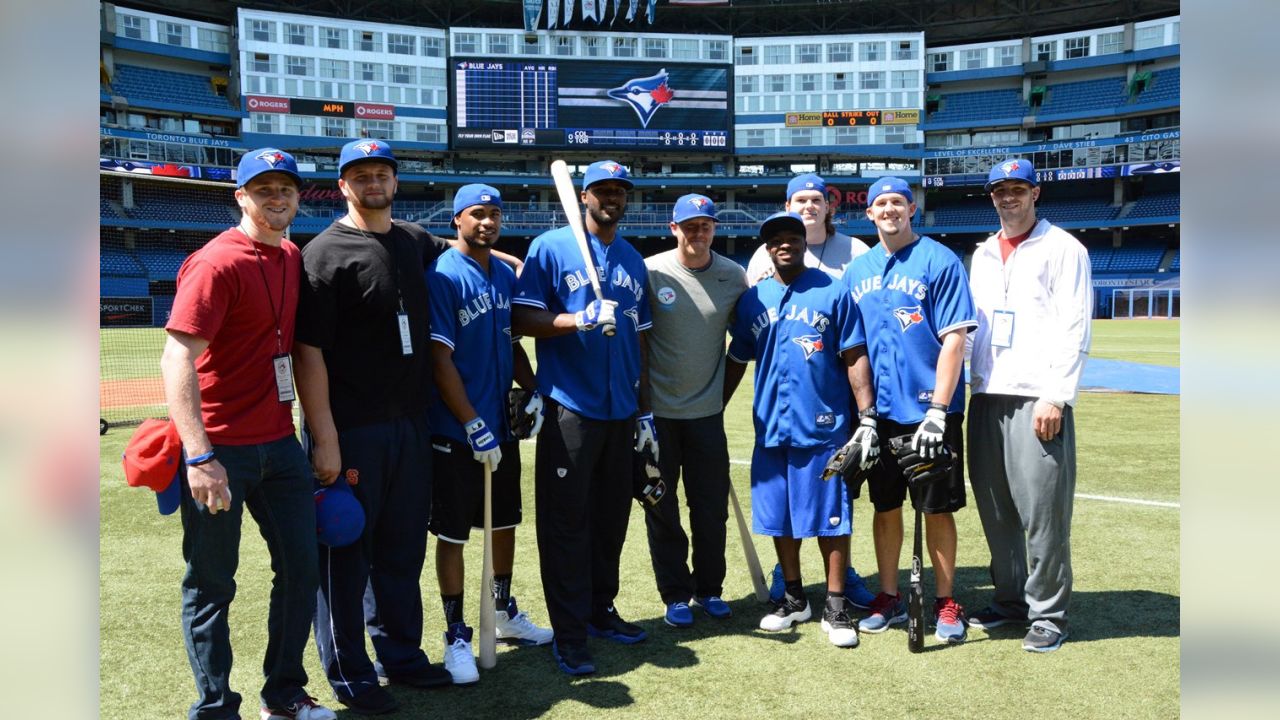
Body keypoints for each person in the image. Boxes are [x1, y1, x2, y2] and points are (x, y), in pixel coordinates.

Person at [160, 148, 336, 720]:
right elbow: (176, 358)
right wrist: (199, 455)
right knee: (213, 583)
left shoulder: (289, 255)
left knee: (302, 568)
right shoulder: (217, 263)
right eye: (263, 189)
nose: (277, 198)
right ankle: (216, 708)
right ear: (241, 196)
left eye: (285, 188)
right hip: (222, 450)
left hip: (279, 445)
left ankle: (283, 694)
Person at [294, 139, 452, 714]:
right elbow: (308, 354)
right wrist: (326, 437)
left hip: (410, 422)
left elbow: (458, 246)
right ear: (342, 185)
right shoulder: (324, 254)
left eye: (381, 172)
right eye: (360, 175)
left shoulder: (412, 239)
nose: (373, 182)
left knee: (402, 548)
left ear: (394, 179)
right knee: (345, 551)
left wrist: (512, 261)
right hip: (351, 427)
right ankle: (350, 673)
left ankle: (401, 656)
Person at [511, 159, 656, 676]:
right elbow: (522, 318)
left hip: (621, 411)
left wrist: (645, 411)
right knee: (567, 526)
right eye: (601, 190)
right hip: (571, 407)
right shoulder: (551, 246)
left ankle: (600, 610)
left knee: (612, 520)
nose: (611, 198)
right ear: (584, 196)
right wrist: (577, 319)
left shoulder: (633, 260)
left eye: (619, 191)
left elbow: (639, 336)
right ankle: (569, 633)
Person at [425, 184, 553, 686]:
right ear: (458, 220)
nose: (487, 222)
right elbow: (439, 359)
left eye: (494, 214)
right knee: (453, 533)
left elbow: (513, 344)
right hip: (456, 430)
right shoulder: (441, 275)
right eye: (477, 214)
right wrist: (471, 421)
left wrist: (536, 389)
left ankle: (502, 613)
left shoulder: (504, 273)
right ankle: (456, 632)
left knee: (504, 524)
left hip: (503, 426)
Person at [724, 212, 871, 648]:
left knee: (831, 519)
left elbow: (854, 355)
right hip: (771, 427)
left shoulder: (834, 291)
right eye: (775, 239)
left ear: (804, 243)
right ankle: (793, 597)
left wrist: (867, 417)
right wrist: (713, 408)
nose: (784, 244)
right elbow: (738, 357)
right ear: (767, 248)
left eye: (792, 237)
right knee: (779, 519)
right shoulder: (753, 299)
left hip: (824, 426)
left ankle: (836, 603)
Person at [841, 177, 977, 646]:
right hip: (880, 414)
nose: (889, 209)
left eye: (897, 201)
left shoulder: (940, 260)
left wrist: (939, 408)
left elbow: (954, 338)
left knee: (937, 508)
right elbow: (853, 347)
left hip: (929, 412)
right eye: (880, 203)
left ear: (911, 208)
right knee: (885, 505)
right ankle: (887, 595)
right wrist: (865, 414)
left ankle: (945, 601)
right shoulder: (858, 271)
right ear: (869, 214)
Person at [965, 158, 1092, 653]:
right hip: (987, 395)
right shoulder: (981, 253)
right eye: (1000, 190)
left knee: (1042, 512)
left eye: (1018, 188)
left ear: (1035, 194)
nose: (1008, 197)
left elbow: (1075, 326)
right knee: (996, 510)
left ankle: (1049, 614)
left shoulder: (1064, 248)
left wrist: (1056, 395)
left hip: (1037, 397)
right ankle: (1010, 600)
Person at [641, 194, 748, 628]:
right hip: (659, 416)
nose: (698, 233)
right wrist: (642, 406)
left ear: (714, 229)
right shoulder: (651, 271)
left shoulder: (733, 276)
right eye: (689, 226)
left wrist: (718, 399)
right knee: (661, 508)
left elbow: (742, 345)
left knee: (710, 510)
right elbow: (640, 341)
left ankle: (710, 589)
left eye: (705, 225)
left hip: (706, 416)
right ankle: (675, 594)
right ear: (674, 228)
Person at [745, 172, 869, 286]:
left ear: (826, 207)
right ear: (788, 207)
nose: (809, 206)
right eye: (801, 200)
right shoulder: (764, 254)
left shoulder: (856, 250)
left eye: (816, 200)